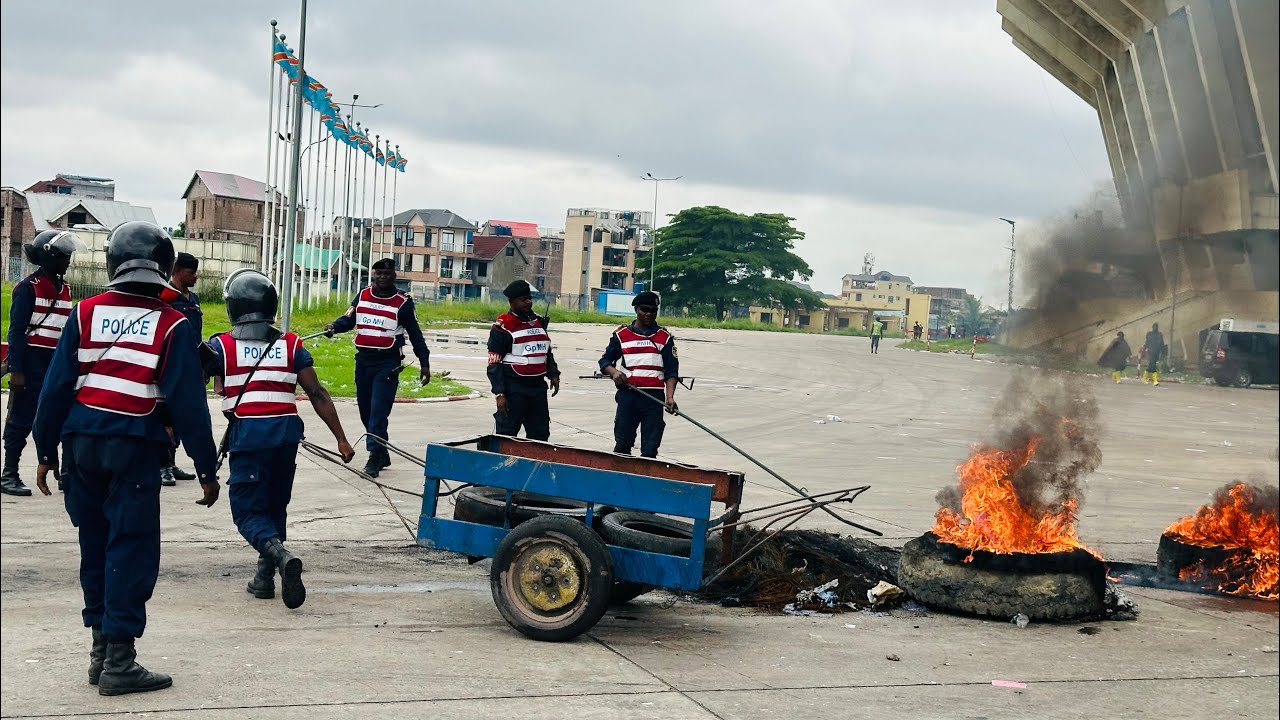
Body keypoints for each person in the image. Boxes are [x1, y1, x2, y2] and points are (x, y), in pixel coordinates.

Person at [32, 221, 220, 696]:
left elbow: (55, 388)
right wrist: (205, 465)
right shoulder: (173, 323)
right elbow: (187, 403)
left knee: (93, 545)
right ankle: (119, 660)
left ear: (114, 263)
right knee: (130, 549)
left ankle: (99, 652)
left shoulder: (85, 312)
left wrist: (44, 450)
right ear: (163, 267)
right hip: (133, 449)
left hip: (79, 445)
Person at [207, 270, 355, 610]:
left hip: (249, 437)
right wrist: (342, 440)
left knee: (246, 512)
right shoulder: (291, 344)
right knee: (275, 506)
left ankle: (281, 556)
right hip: (286, 436)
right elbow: (316, 392)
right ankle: (264, 578)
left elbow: (194, 385)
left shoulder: (222, 345)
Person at [324, 258, 431, 477]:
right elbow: (348, 320)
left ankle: (374, 457)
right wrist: (333, 327)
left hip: (387, 364)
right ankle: (382, 451)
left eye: (387, 274)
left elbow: (416, 335)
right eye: (379, 274)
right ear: (374, 275)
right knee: (366, 412)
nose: (382, 278)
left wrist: (424, 364)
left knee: (378, 414)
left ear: (394, 276)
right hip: (363, 362)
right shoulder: (363, 295)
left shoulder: (403, 302)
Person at [3, 230, 84, 496]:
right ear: (48, 257)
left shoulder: (65, 289)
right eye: (64, 255)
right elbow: (15, 332)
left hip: (56, 363)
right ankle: (9, 473)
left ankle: (63, 472)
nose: (69, 260)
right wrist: (16, 369)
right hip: (31, 362)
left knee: (59, 418)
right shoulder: (28, 288)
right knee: (21, 419)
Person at [598, 291, 679, 458]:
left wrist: (669, 397)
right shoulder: (621, 335)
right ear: (636, 309)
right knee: (622, 446)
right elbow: (605, 361)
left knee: (650, 450)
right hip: (629, 397)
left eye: (653, 310)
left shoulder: (665, 338)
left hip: (654, 399)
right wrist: (614, 373)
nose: (649, 314)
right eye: (644, 309)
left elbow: (671, 371)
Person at [487, 279, 560, 440]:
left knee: (540, 436)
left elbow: (545, 351)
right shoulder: (503, 327)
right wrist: (499, 394)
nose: (528, 302)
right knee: (507, 437)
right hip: (514, 390)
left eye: (529, 298)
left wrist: (553, 374)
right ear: (511, 301)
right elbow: (494, 364)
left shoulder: (538, 323)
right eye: (523, 299)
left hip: (538, 390)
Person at [160, 252, 203, 486]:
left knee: (178, 418)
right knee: (165, 416)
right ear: (177, 271)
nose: (196, 276)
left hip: (190, 366)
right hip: (170, 365)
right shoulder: (166, 297)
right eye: (191, 271)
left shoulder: (193, 299)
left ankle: (172, 462)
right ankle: (162, 465)